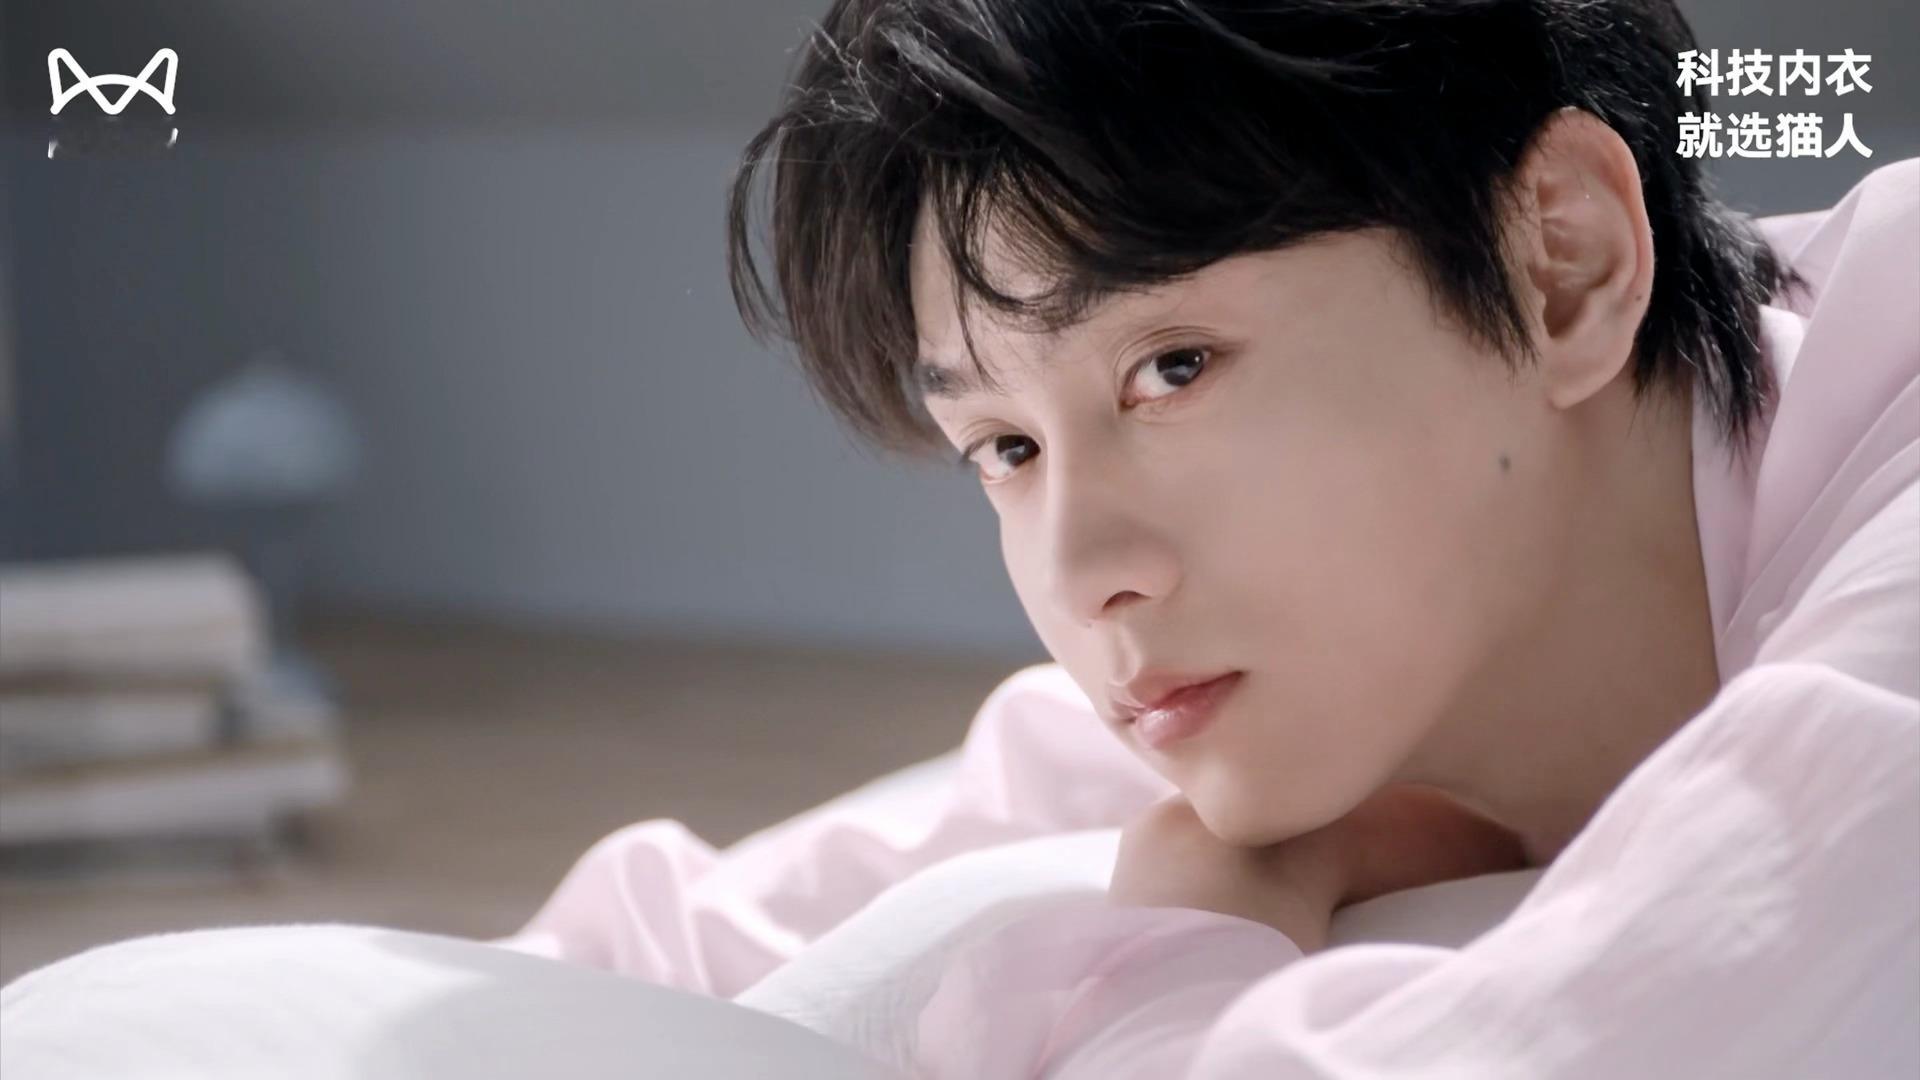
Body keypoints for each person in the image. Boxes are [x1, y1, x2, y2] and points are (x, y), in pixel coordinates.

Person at [497, 1, 1918, 1074]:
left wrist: (1181, 936)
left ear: (1562, 263)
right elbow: (600, 968)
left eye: (1172, 368)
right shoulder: (1311, 669)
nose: (1080, 575)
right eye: (1005, 447)